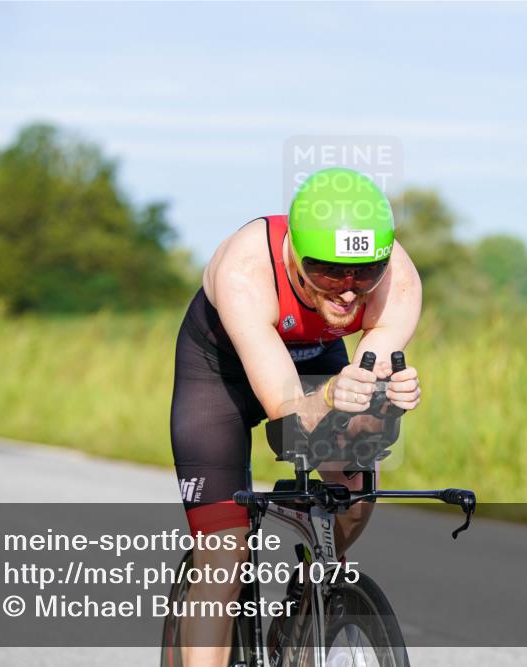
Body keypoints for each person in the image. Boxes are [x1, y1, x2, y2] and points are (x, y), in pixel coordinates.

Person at [170, 167, 422, 666]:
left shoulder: (399, 281)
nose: (349, 292)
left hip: (314, 363)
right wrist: (331, 397)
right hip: (219, 376)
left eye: (364, 273)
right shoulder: (245, 270)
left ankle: (303, 609)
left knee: (353, 496)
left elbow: (360, 426)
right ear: (294, 256)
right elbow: (287, 419)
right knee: (224, 556)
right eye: (329, 272)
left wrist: (384, 406)